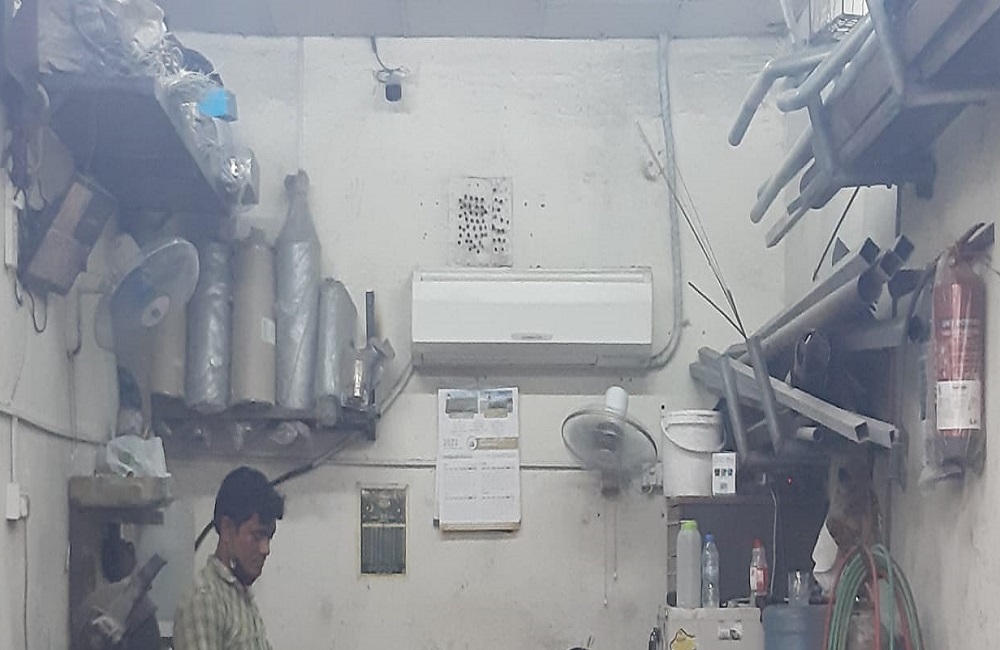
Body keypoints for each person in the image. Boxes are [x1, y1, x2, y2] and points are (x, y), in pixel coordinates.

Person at [173, 466, 284, 650]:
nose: (265, 549)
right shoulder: (204, 601)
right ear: (227, 529)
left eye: (269, 537)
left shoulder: (241, 598)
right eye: (257, 536)